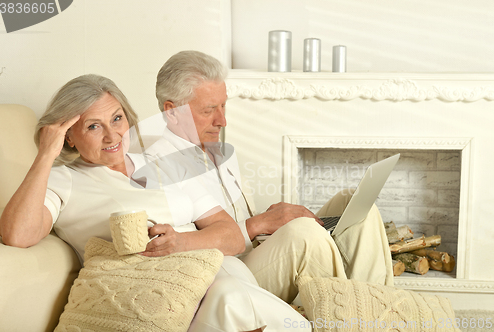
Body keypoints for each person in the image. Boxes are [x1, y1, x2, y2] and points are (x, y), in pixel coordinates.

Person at [0, 74, 310, 331]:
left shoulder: (165, 163)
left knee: (237, 290)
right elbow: (17, 235)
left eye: (117, 119)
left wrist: (180, 242)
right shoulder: (62, 179)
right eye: (93, 126)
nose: (112, 135)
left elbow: (229, 234)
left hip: (215, 271)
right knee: (231, 299)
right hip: (159, 291)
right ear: (68, 136)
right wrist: (45, 155)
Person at [145, 50, 394, 305]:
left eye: (223, 106)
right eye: (209, 110)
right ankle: (352, 313)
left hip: (257, 250)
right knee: (305, 235)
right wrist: (261, 223)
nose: (223, 121)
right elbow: (184, 247)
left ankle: (376, 309)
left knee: (355, 204)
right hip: (230, 274)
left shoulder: (218, 150)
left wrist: (270, 219)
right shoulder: (159, 165)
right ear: (172, 112)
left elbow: (239, 219)